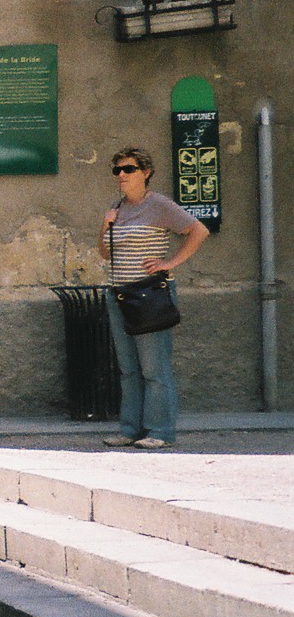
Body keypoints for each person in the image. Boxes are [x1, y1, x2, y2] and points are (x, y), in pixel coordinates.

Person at [100, 147, 209, 449]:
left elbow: (198, 231)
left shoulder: (159, 205)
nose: (122, 175)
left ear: (145, 173)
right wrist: (105, 226)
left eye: (129, 169)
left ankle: (160, 432)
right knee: (128, 368)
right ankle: (129, 429)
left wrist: (170, 263)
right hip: (119, 294)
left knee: (154, 368)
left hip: (148, 294)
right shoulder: (116, 207)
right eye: (117, 170)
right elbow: (105, 253)